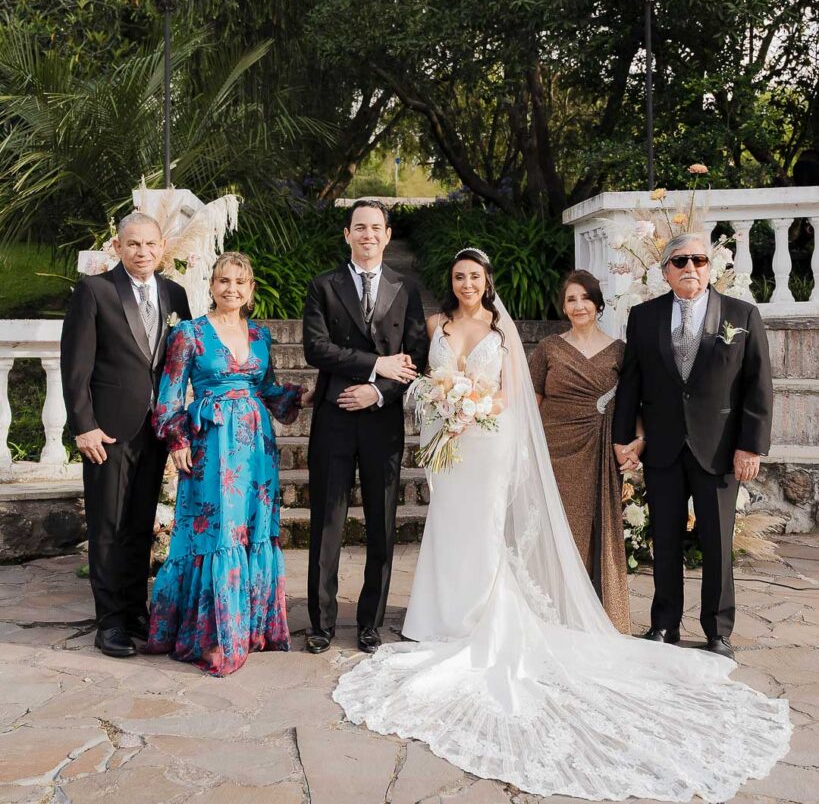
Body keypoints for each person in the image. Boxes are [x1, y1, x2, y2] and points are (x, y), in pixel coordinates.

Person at [333, 247, 790, 803]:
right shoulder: (435, 325)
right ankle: (441, 616)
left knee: (487, 531)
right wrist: (442, 408)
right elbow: (425, 377)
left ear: (487, 280)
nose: (467, 283)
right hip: (447, 441)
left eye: (475, 275)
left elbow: (522, 393)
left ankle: (713, 631)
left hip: (492, 438)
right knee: (448, 527)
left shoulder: (504, 328)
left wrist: (476, 408)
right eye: (458, 276)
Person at [145, 252, 309, 676]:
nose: (231, 288)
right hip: (213, 445)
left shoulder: (260, 334)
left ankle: (251, 629)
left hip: (256, 447)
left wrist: (305, 394)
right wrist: (177, 438)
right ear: (212, 286)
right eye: (223, 281)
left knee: (253, 529)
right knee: (218, 532)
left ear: (250, 289)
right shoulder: (190, 333)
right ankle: (215, 636)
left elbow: (267, 389)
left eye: (240, 282)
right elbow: (169, 394)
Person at [613, 233, 774, 659]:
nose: (690, 267)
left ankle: (718, 631)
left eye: (699, 260)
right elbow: (631, 381)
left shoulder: (742, 314)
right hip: (663, 447)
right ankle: (664, 624)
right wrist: (623, 438)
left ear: (710, 267)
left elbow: (758, 385)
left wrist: (750, 447)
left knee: (717, 544)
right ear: (665, 271)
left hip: (719, 449)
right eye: (680, 261)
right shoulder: (643, 316)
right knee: (664, 541)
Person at [60, 211, 191, 658]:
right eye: (133, 244)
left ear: (162, 247)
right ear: (117, 247)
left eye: (151, 244)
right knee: (109, 527)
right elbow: (75, 366)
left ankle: (136, 611)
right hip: (108, 431)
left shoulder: (174, 294)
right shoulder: (95, 291)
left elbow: (183, 359)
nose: (143, 252)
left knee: (140, 524)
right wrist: (84, 426)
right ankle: (110, 622)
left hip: (156, 429)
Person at [303, 199, 429, 655]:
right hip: (334, 416)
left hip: (382, 420)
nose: (368, 235)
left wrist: (377, 392)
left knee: (382, 523)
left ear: (388, 235)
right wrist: (376, 364)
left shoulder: (406, 287)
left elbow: (416, 357)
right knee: (327, 522)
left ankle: (370, 622)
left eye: (376, 228)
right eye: (360, 227)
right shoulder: (323, 285)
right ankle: (321, 623)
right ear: (347, 234)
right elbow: (316, 348)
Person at [528, 270, 637, 633]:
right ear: (564, 307)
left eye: (585, 298)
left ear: (598, 304)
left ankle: (592, 610)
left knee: (594, 527)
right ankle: (553, 610)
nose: (578, 306)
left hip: (599, 451)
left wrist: (637, 442)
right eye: (571, 300)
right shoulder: (548, 348)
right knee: (555, 528)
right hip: (553, 450)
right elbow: (531, 403)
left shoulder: (619, 351)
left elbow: (633, 404)